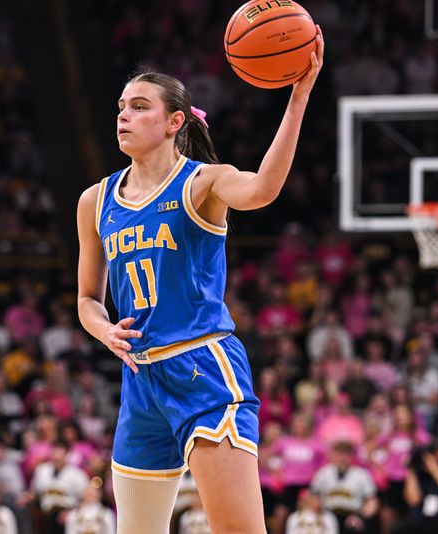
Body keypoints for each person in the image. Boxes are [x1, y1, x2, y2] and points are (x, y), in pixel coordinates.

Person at [76, 26, 324, 534]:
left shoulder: (203, 182)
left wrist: (297, 98)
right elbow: (85, 299)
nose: (123, 114)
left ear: (174, 122)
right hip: (140, 379)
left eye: (139, 106)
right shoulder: (94, 201)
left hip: (203, 370)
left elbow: (263, 189)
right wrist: (103, 330)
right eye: (122, 105)